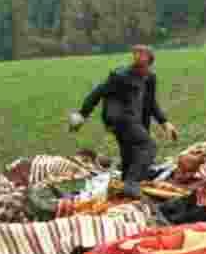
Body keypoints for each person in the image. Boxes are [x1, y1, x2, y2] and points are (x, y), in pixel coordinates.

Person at [68, 45, 178, 198]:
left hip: (133, 121)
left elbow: (150, 104)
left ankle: (126, 190)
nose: (137, 55)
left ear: (149, 59)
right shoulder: (120, 76)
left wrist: (165, 123)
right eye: (136, 53)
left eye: (142, 53)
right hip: (118, 119)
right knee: (148, 146)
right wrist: (81, 115)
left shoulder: (149, 79)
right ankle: (131, 183)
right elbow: (97, 92)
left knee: (129, 157)